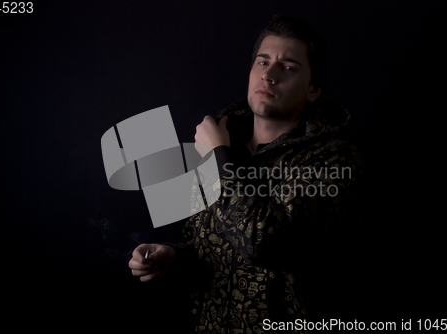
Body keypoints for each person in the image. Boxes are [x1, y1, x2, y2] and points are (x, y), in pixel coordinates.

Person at [129, 13, 363, 333]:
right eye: (263, 62)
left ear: (313, 89)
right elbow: (207, 248)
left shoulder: (333, 158)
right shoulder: (225, 144)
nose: (269, 75)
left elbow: (260, 243)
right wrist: (175, 259)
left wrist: (216, 155)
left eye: (289, 67)